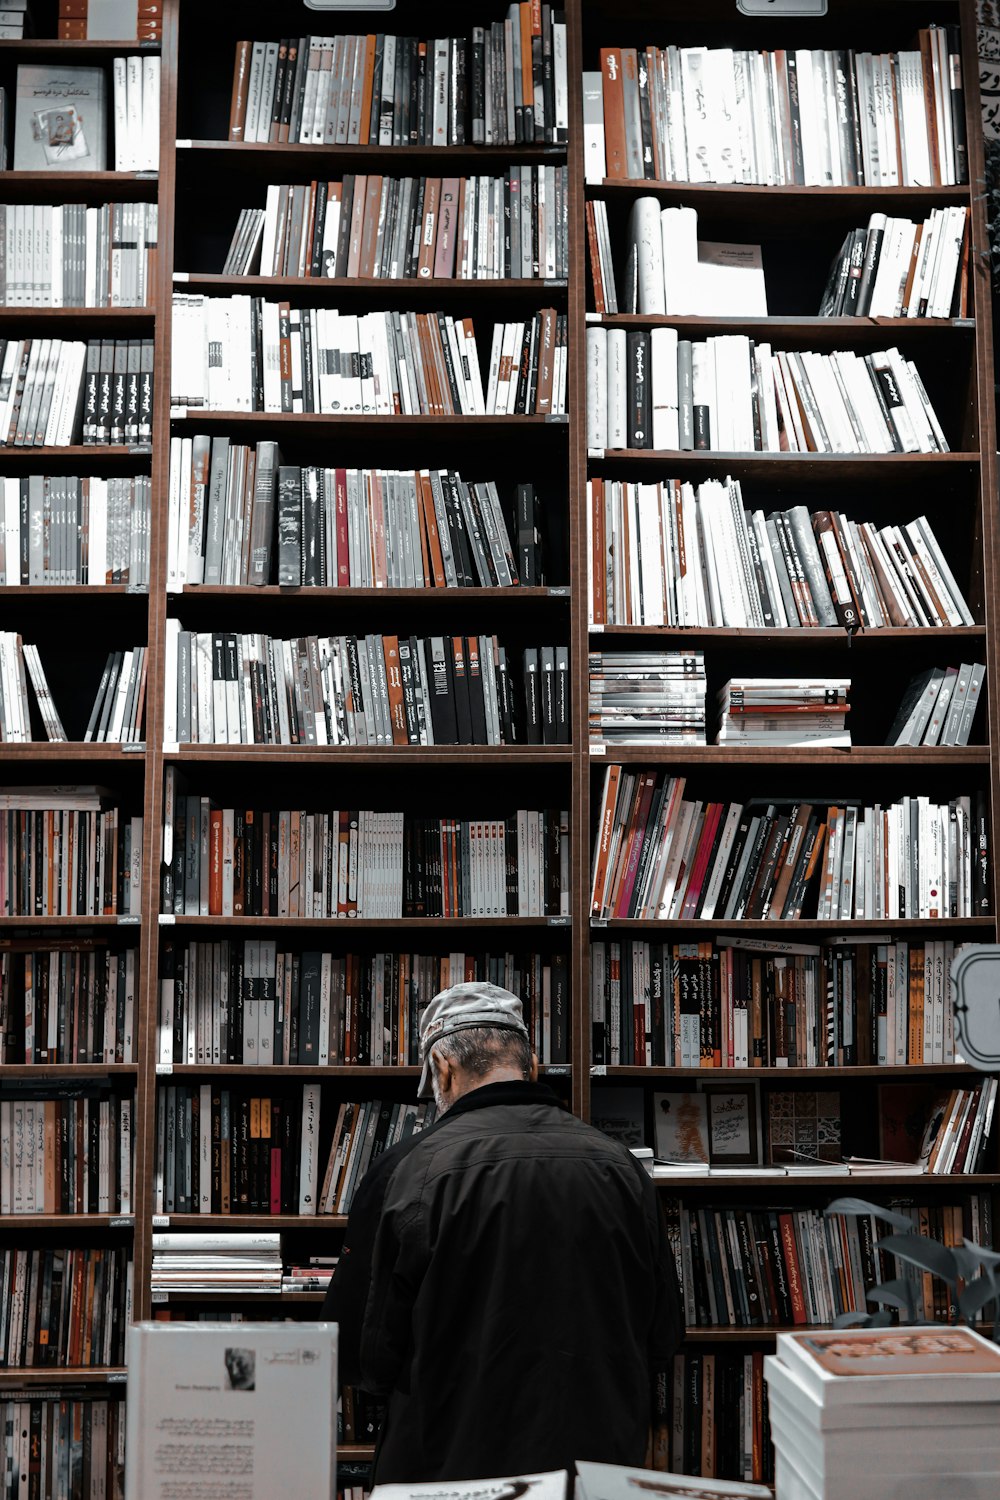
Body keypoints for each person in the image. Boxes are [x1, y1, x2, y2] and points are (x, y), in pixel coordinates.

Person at [321, 981, 682, 1481]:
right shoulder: (621, 1166)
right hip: (595, 1469)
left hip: (448, 1469)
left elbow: (364, 1354)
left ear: (443, 1069)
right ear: (529, 1065)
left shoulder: (406, 1168)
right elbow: (662, 1336)